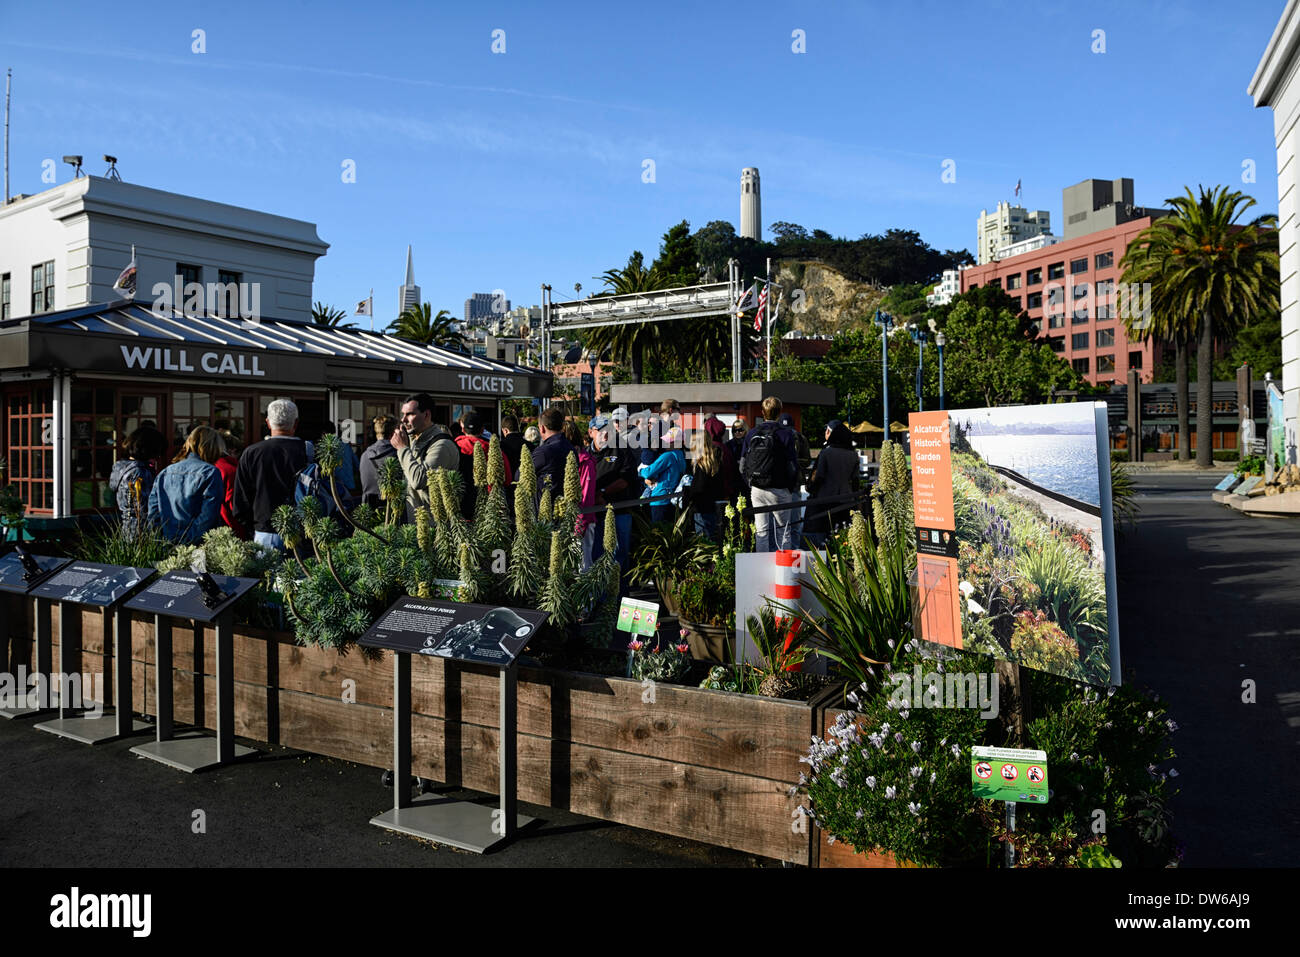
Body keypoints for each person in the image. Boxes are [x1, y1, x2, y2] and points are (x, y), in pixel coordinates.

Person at [234, 398, 311, 551]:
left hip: (265, 533)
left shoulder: (251, 453)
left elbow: (240, 504)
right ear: (296, 423)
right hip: (305, 533)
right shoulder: (309, 452)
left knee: (266, 575)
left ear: (268, 423)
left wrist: (255, 527)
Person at [148, 426, 226, 544]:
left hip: (166, 541)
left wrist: (161, 539)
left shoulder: (165, 472)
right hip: (197, 544)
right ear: (214, 448)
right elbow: (208, 517)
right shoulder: (210, 472)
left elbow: (153, 512)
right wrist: (188, 540)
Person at [740, 396, 799, 552]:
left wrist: (751, 483)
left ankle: (762, 571)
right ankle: (783, 570)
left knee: (761, 532)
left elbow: (742, 465)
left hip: (758, 488)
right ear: (779, 412)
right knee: (783, 531)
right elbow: (793, 465)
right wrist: (790, 487)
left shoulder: (751, 433)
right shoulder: (786, 435)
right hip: (780, 488)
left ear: (762, 412)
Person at [391, 392, 460, 519]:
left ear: (426, 415)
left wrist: (402, 448)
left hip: (435, 527)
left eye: (410, 414)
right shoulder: (412, 440)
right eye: (403, 414)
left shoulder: (442, 445)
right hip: (415, 525)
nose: (403, 419)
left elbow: (419, 480)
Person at [590, 412, 638, 577]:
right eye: (600, 429)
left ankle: (619, 597)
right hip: (593, 515)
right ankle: (599, 599)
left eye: (608, 429)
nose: (605, 433)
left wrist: (602, 492)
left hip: (619, 512)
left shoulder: (621, 448)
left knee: (619, 558)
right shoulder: (583, 453)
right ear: (591, 432)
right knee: (596, 558)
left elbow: (627, 479)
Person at [803, 420, 861, 548]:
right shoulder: (853, 455)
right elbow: (855, 480)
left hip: (824, 501)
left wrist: (811, 489)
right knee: (841, 538)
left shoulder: (826, 453)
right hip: (846, 501)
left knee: (820, 539)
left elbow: (819, 476)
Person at [109, 426, 166, 541]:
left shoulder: (122, 468)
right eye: (156, 454)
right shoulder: (140, 472)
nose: (157, 458)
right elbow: (144, 508)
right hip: (142, 532)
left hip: (127, 527)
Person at [638, 425, 685, 524]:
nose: (665, 443)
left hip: (659, 498)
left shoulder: (667, 456)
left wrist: (640, 470)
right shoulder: (681, 455)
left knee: (658, 532)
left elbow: (648, 472)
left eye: (669, 441)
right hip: (673, 498)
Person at [687, 430, 726, 542]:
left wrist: (688, 496)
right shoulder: (715, 460)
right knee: (713, 539)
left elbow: (698, 489)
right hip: (714, 506)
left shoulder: (701, 465)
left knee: (704, 541)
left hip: (701, 509)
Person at [531, 406, 576, 498]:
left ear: (542, 428)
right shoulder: (571, 448)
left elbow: (521, 475)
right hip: (567, 506)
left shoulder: (542, 452)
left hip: (545, 508)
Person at [359, 415, 399, 510]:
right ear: (394, 432)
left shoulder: (365, 455)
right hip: (392, 509)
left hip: (368, 509)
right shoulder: (397, 454)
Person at [215, 430, 247, 538]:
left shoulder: (209, 466)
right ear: (232, 450)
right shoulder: (231, 470)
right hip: (231, 528)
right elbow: (235, 505)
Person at [727, 416, 750, 500]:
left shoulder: (749, 443)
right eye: (734, 430)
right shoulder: (729, 444)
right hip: (733, 480)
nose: (737, 432)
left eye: (740, 430)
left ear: (745, 430)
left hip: (746, 480)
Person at [500, 414, 525, 480]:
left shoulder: (501, 446)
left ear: (505, 430)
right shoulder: (529, 445)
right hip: (525, 483)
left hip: (507, 483)